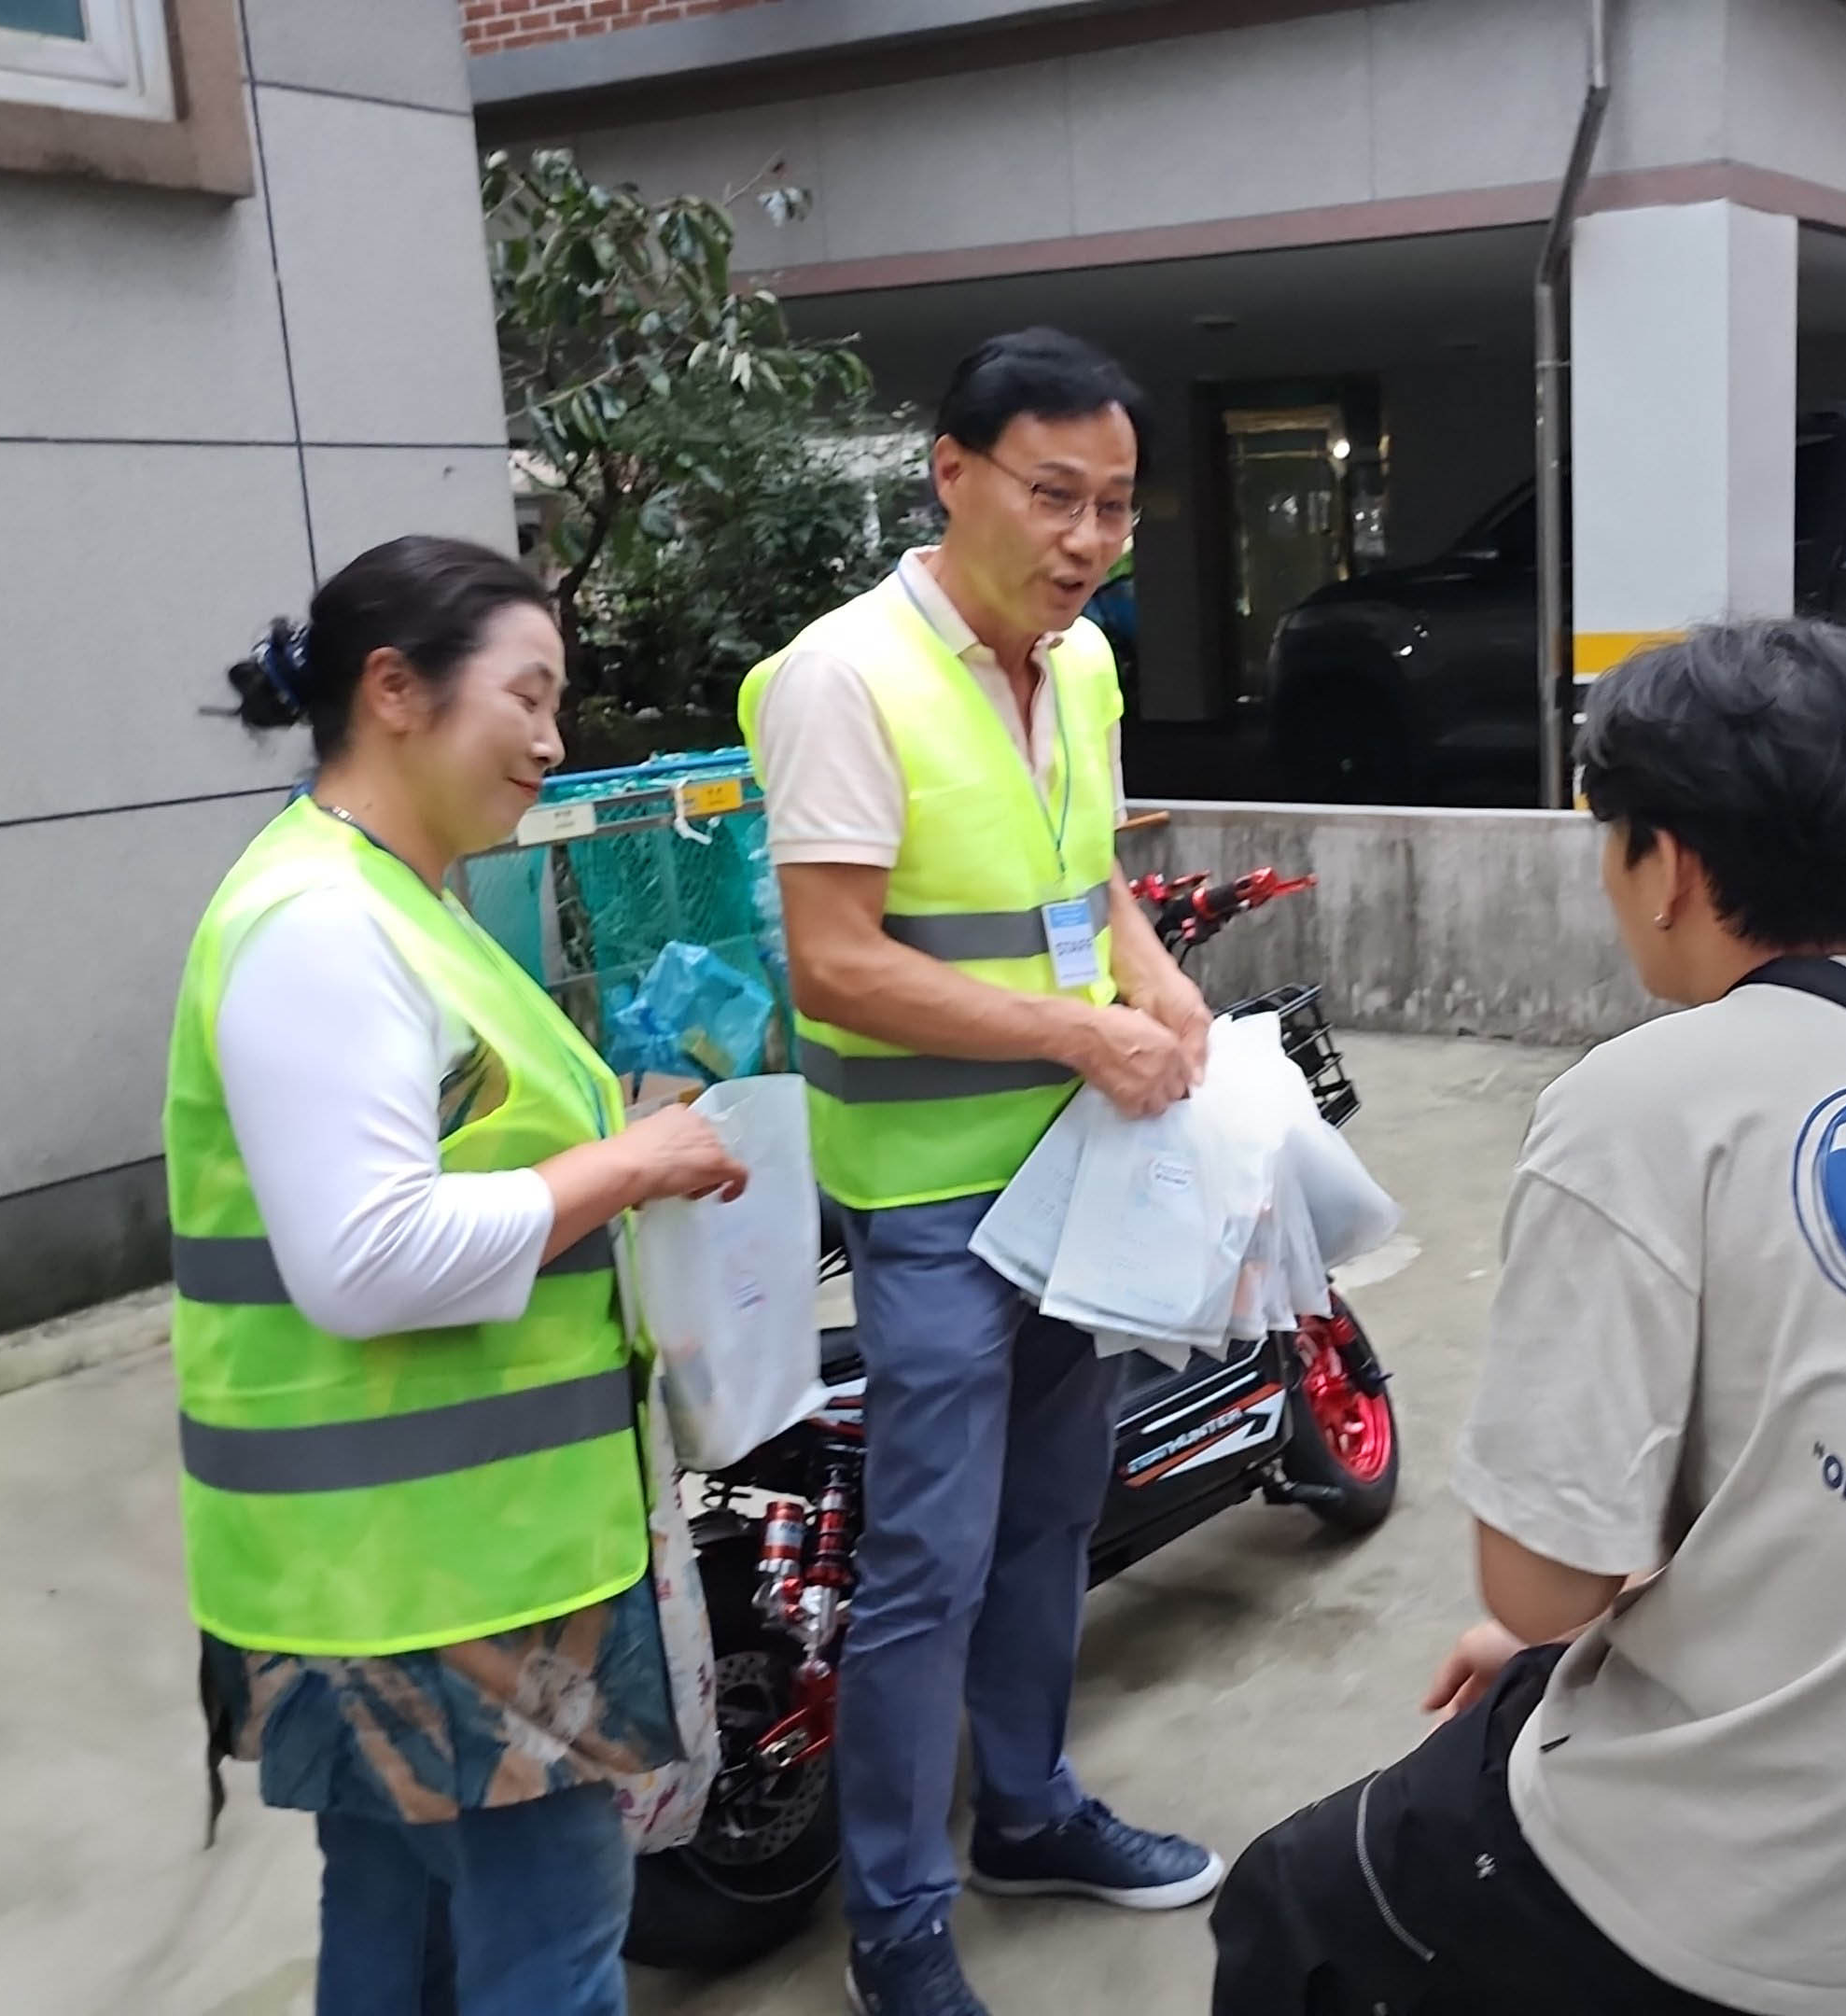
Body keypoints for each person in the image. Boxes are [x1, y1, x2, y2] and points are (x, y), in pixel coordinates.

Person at [1210, 620, 1846, 2016]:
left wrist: (1556, 1631)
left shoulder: (1641, 1103)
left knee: (1294, 1903)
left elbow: (1540, 1592)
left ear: (1668, 866)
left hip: (1765, 1903)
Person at [169, 535, 756, 2015]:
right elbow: (365, 1261)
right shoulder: (324, 926)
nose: (554, 740)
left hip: (408, 1566)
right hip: (448, 1580)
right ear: (394, 690)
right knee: (548, 1941)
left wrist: (607, 1147)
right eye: (529, 696)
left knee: (401, 1926)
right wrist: (626, 1167)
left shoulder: (389, 902)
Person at [736, 328, 1223, 2016]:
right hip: (933, 1199)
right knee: (930, 1562)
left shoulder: (1080, 670)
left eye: (1117, 505)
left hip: (1078, 1179)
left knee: (1050, 1522)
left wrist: (1152, 979)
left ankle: (1025, 1810)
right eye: (1054, 496)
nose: (1088, 539)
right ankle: (895, 1923)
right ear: (952, 475)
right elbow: (835, 964)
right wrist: (1079, 1035)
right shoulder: (841, 679)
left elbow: (1087, 885)